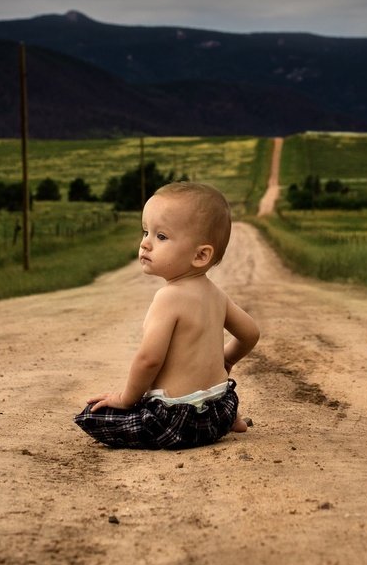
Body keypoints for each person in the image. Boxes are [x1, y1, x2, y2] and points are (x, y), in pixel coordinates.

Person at [74, 181, 260, 449]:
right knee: (218, 394)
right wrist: (226, 359)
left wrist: (127, 398)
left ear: (200, 255)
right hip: (221, 409)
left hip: (177, 421)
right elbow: (250, 334)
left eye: (161, 237)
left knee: (94, 413)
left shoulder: (168, 297)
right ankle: (234, 421)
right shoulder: (217, 295)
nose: (145, 244)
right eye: (146, 232)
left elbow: (149, 359)